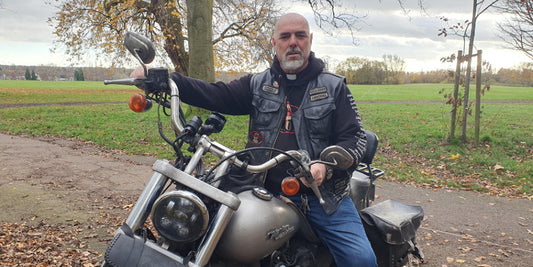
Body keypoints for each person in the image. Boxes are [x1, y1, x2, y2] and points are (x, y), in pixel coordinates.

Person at [136, 12, 376, 267]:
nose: (293, 42)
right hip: (257, 188)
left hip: (320, 197)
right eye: (285, 36)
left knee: (360, 259)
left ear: (310, 41)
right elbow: (215, 94)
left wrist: (325, 167)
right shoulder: (258, 85)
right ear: (274, 43)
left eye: (300, 36)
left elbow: (356, 137)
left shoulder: (334, 87)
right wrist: (167, 80)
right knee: (198, 232)